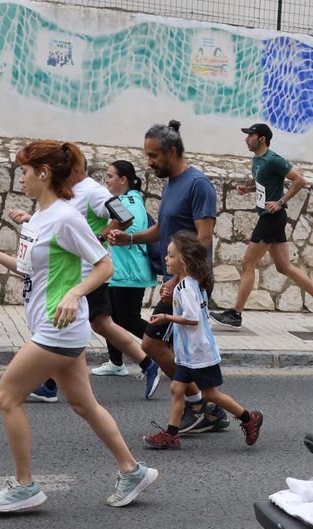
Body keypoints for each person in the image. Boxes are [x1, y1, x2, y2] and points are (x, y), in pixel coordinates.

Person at [0, 141, 156, 514]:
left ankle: (24, 485)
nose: (20, 177)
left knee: (6, 397)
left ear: (44, 174)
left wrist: (76, 292)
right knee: (83, 403)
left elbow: (105, 265)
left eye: (24, 171)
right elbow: (29, 270)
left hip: (60, 328)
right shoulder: (38, 219)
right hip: (49, 324)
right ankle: (132, 470)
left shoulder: (66, 216)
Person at [141, 120, 229, 435]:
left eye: (154, 156)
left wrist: (179, 277)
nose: (149, 162)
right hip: (175, 280)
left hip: (189, 283)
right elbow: (163, 229)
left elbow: (203, 239)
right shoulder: (172, 182)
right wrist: (131, 238)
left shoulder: (198, 184)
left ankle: (202, 406)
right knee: (176, 347)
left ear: (173, 151)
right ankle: (205, 407)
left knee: (153, 342)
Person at [142, 233, 263, 451]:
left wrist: (166, 317)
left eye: (170, 256)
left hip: (199, 353)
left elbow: (192, 318)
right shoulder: (187, 283)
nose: (166, 259)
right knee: (177, 388)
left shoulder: (187, 287)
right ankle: (171, 434)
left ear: (185, 261)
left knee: (210, 394)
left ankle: (248, 417)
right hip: (189, 353)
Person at [213, 123, 313, 329]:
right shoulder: (258, 161)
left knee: (247, 263)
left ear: (262, 139)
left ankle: (235, 314)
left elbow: (300, 181)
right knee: (283, 266)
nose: (246, 139)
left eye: (250, 135)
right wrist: (248, 189)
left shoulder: (273, 160)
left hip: (271, 218)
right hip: (271, 218)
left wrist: (280, 202)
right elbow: (264, 185)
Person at [93, 160, 158, 382]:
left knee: (128, 319)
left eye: (110, 176)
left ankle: (166, 348)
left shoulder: (129, 200)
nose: (106, 180)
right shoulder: (122, 200)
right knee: (110, 319)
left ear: (123, 180)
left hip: (130, 273)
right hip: (119, 273)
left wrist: (101, 236)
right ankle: (116, 363)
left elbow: (134, 225)